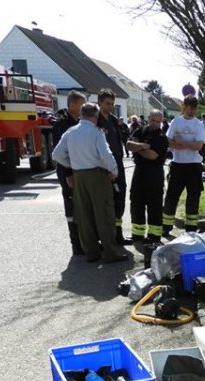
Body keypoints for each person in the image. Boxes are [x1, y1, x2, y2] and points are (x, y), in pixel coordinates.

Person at [52, 102, 129, 264]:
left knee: (84, 215)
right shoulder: (96, 133)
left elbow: (57, 154)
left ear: (81, 114)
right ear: (95, 116)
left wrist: (71, 165)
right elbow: (106, 155)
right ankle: (110, 251)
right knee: (104, 214)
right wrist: (114, 170)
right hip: (98, 176)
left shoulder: (70, 132)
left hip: (79, 176)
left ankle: (91, 252)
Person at [162, 96, 205, 234]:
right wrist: (186, 145)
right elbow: (167, 141)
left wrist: (181, 142)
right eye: (190, 107)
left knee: (193, 196)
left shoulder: (198, 124)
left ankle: (191, 228)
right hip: (178, 164)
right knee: (172, 195)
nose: (192, 110)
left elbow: (198, 146)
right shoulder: (176, 121)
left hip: (194, 165)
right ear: (184, 106)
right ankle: (166, 226)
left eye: (194, 108)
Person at [126, 109, 169, 244]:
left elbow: (153, 156)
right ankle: (137, 235)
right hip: (139, 172)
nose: (155, 123)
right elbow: (128, 145)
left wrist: (137, 149)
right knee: (136, 201)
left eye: (158, 121)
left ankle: (154, 236)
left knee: (154, 205)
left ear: (161, 122)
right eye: (153, 120)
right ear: (148, 118)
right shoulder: (140, 130)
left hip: (154, 173)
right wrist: (144, 146)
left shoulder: (162, 137)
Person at [51, 91, 86, 255]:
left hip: (79, 170)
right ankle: (76, 245)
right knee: (71, 207)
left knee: (82, 206)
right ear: (72, 105)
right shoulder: (62, 125)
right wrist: (68, 174)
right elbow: (60, 154)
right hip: (68, 172)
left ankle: (85, 241)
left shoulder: (79, 123)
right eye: (81, 105)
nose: (83, 108)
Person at [95, 88, 129, 245]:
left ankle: (118, 233)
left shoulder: (114, 121)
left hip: (117, 162)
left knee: (120, 197)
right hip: (102, 167)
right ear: (99, 102)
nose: (110, 107)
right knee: (104, 202)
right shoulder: (95, 121)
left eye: (112, 104)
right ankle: (105, 236)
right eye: (107, 103)